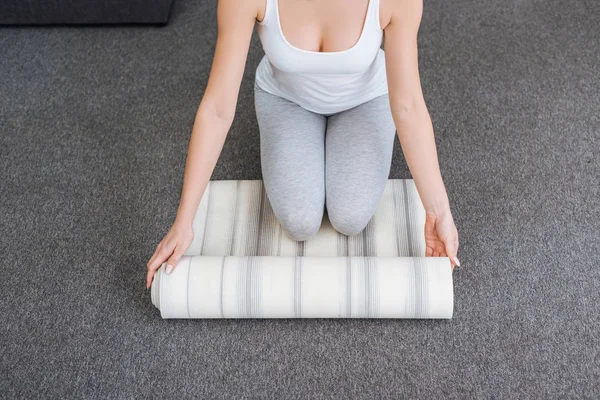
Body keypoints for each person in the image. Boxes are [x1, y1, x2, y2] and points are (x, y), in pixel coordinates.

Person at [146, 0, 460, 289]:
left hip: (366, 99)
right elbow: (217, 109)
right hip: (286, 98)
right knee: (299, 222)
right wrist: (184, 222)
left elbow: (408, 107)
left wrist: (438, 211)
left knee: (350, 217)